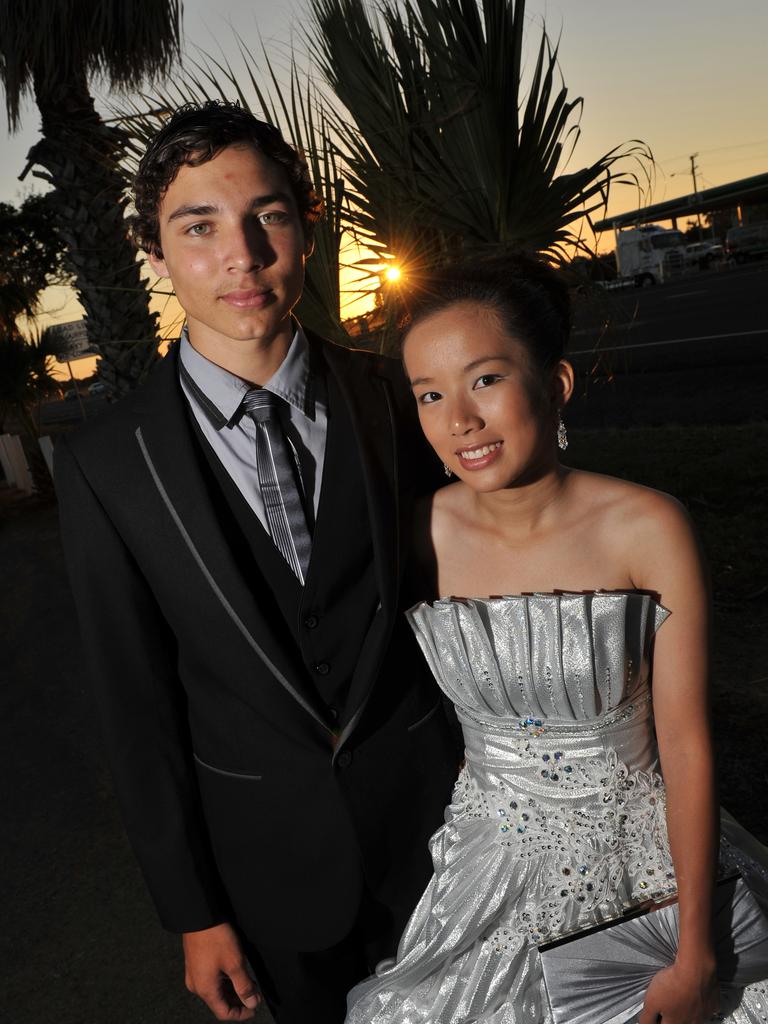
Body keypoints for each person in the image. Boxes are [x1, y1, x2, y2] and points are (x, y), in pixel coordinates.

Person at [54, 100, 461, 1024]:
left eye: (267, 216)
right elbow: (137, 707)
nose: (240, 254)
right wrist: (193, 915)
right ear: (152, 251)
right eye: (198, 227)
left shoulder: (396, 396)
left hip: (441, 833)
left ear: (307, 227)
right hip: (268, 874)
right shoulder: (107, 463)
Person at [345, 259, 768, 1023]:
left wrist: (697, 950)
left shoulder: (648, 526)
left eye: (485, 380)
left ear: (557, 384)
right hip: (484, 859)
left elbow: (686, 743)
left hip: (644, 864)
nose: (460, 420)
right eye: (430, 396)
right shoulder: (414, 535)